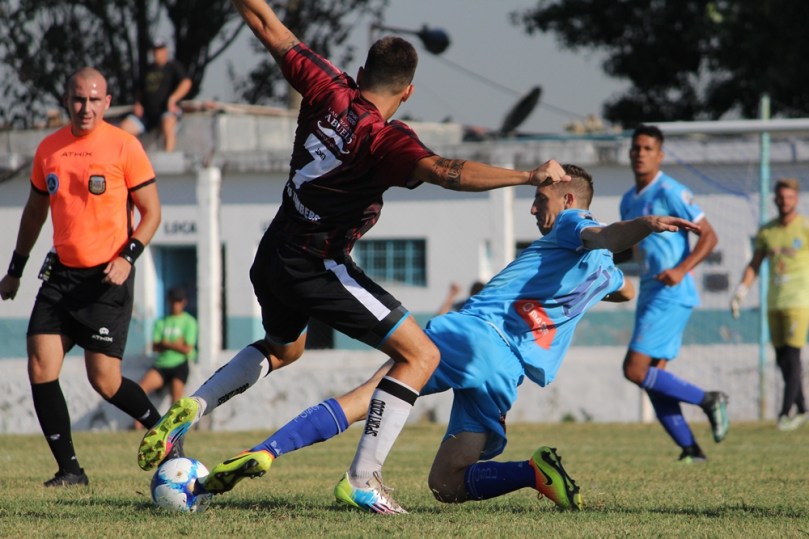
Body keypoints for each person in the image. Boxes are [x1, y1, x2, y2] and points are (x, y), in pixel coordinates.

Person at [136, 0, 571, 515]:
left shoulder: (328, 86)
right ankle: (364, 479)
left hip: (272, 251)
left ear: (362, 72)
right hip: (317, 265)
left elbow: (267, 25)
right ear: (407, 92)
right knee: (422, 355)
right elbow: (448, 170)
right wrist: (525, 176)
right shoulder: (387, 141)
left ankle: (194, 405)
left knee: (284, 348)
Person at [197, 164, 699, 512]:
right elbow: (620, 281)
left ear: (568, 200)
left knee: (367, 396)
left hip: (470, 335)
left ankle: (270, 451)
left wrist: (643, 226)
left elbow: (603, 236)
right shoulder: (603, 272)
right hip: (503, 373)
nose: (533, 211)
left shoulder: (573, 223)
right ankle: (536, 473)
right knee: (447, 485)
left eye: (539, 199)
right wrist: (613, 277)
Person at [0, 67, 163, 487]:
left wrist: (129, 256)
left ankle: (164, 433)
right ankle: (70, 470)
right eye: (78, 99)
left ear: (107, 103)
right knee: (40, 365)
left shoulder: (125, 147)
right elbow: (35, 213)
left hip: (108, 280)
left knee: (104, 381)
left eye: (94, 100)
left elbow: (152, 213)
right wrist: (15, 270)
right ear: (67, 100)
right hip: (61, 277)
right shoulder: (49, 150)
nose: (85, 108)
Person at [618, 124, 728, 463]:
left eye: (648, 148)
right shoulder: (627, 200)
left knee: (635, 370)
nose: (640, 153)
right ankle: (691, 450)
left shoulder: (671, 191)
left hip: (673, 292)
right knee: (655, 377)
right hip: (651, 292)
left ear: (660, 155)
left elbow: (709, 235)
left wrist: (682, 269)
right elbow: (628, 246)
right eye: (636, 148)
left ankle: (710, 400)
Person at [731, 178, 809, 431]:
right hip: (774, 302)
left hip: (799, 301)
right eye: (780, 197)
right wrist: (742, 290)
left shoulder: (805, 227)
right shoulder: (767, 231)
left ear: (796, 199)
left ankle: (785, 412)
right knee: (782, 359)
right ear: (775, 199)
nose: (784, 201)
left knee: (794, 357)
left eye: (789, 197)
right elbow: (755, 264)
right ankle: (804, 408)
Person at [134, 286, 198, 429]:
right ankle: (137, 426)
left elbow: (187, 348)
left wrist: (166, 343)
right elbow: (155, 346)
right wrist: (175, 344)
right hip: (162, 364)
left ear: (184, 302)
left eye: (179, 301)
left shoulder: (189, 321)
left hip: (179, 364)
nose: (176, 305)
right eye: (174, 301)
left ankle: (173, 430)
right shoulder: (161, 321)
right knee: (140, 390)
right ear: (169, 301)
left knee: (176, 401)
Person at [119, 39, 192, 152]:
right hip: (147, 114)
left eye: (160, 50)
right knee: (124, 128)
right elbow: (140, 89)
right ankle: (128, 159)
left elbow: (186, 83)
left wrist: (173, 98)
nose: (157, 53)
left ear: (165, 51)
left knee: (168, 124)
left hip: (165, 112)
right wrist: (138, 103)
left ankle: (168, 159)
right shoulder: (147, 69)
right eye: (155, 50)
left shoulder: (173, 66)